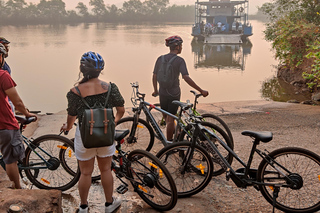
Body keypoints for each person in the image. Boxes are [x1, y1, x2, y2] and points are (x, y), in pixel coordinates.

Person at [60, 51, 125, 213]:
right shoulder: (110, 87)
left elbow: (72, 115)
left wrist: (67, 127)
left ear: (82, 69)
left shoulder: (75, 92)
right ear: (100, 70)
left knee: (86, 173)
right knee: (105, 170)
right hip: (105, 135)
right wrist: (112, 124)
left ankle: (83, 207)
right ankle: (109, 204)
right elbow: (121, 110)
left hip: (84, 137)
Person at [152, 36, 209, 141]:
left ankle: (177, 134)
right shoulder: (179, 60)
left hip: (162, 91)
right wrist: (201, 90)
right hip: (174, 92)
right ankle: (169, 144)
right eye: (181, 46)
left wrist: (155, 90)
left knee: (166, 116)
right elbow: (186, 77)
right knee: (170, 119)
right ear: (177, 47)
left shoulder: (160, 58)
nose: (182, 48)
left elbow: (154, 75)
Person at [0, 43, 37, 189]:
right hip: (5, 124)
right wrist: (26, 113)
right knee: (10, 160)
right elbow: (18, 102)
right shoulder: (3, 76)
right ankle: (17, 188)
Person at [0, 37, 14, 114]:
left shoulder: (4, 63)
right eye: (5, 47)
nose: (7, 49)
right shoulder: (2, 69)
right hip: (5, 102)